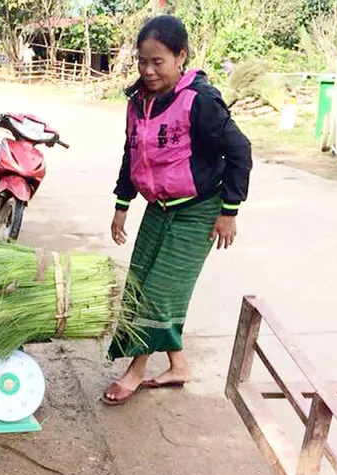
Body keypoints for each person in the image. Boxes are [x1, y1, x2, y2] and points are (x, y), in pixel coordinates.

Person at [102, 15, 252, 405]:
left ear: (180, 56)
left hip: (199, 211)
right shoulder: (138, 102)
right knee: (140, 284)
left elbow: (239, 151)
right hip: (159, 206)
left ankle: (135, 371)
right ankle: (179, 366)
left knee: (157, 294)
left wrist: (229, 210)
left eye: (158, 62)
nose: (148, 70)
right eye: (142, 61)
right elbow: (132, 152)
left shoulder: (199, 101)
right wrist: (122, 204)